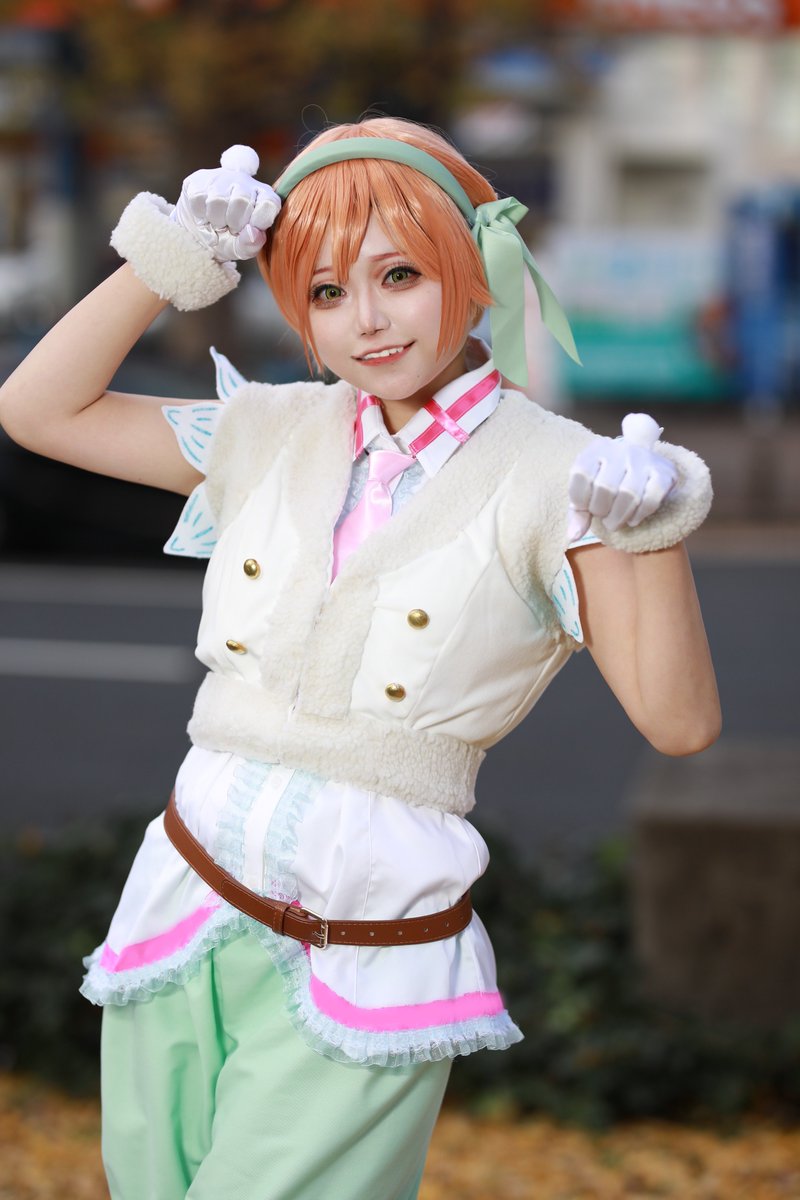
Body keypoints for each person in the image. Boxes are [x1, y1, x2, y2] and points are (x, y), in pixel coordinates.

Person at [0, 117, 721, 1200]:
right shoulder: (270, 429)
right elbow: (36, 409)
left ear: (472, 270)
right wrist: (171, 260)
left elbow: (679, 722)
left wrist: (650, 536)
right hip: (180, 899)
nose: (367, 321)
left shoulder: (558, 474)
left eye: (400, 275)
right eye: (327, 292)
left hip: (369, 939)